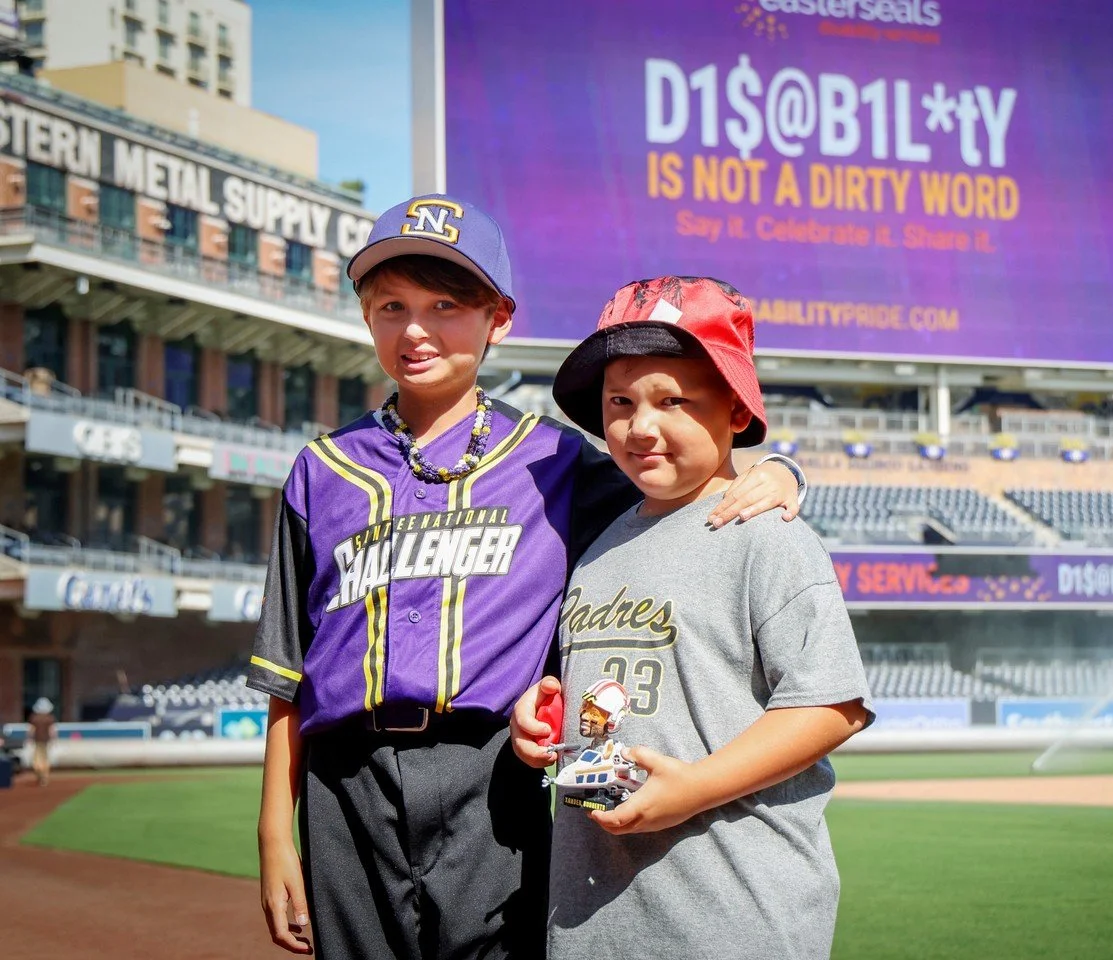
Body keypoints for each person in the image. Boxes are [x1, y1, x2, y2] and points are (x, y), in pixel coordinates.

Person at [245, 196, 804, 960]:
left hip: (492, 778)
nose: (415, 330)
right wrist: (276, 831)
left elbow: (685, 479)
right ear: (366, 317)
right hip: (344, 783)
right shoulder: (322, 468)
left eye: (446, 305)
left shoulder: (555, 461)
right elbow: (288, 675)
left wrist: (777, 466)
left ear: (497, 318)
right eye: (390, 306)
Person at [510, 275, 874, 960]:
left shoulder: (764, 531)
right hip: (597, 920)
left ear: (736, 412)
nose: (639, 426)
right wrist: (546, 711)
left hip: (733, 916)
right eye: (619, 402)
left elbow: (833, 705)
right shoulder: (597, 549)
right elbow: (607, 698)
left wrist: (691, 790)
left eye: (672, 401)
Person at [27, 696, 56, 786]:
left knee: (37, 759)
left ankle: (40, 775)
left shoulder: (34, 718)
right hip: (46, 741)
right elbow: (52, 730)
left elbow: (31, 730)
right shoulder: (50, 718)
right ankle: (44, 777)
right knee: (45, 759)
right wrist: (53, 739)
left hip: (37, 741)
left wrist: (29, 738)